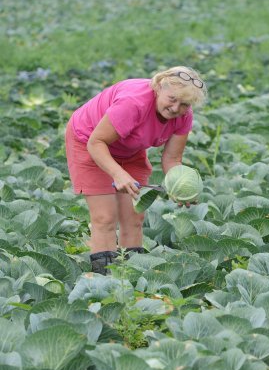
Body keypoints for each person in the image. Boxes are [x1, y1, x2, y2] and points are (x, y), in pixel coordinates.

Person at [65, 66, 207, 275]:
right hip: (90, 141)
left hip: (129, 149)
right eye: (172, 99)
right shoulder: (134, 103)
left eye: (184, 104)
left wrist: (180, 187)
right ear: (159, 87)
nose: (176, 108)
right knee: (105, 217)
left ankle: (131, 277)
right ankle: (104, 278)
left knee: (133, 216)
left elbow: (172, 158)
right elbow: (97, 142)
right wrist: (117, 173)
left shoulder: (183, 117)